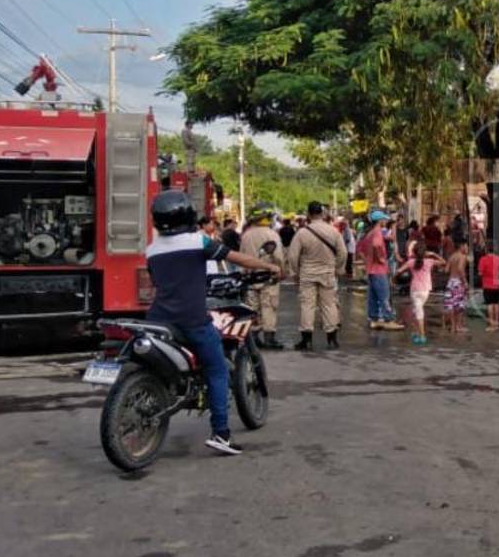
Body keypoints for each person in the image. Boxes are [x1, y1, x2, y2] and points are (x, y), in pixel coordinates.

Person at [146, 190, 280, 456]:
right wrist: (271, 268)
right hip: (192, 320)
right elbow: (234, 258)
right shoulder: (197, 241)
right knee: (217, 369)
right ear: (187, 215)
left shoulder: (151, 250)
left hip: (157, 319)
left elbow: (164, 282)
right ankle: (221, 433)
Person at [286, 201, 348, 350]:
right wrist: (337, 268)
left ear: (308, 214)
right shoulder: (333, 231)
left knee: (307, 305)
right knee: (329, 304)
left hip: (307, 274)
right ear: (322, 213)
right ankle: (332, 339)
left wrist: (295, 272)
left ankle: (306, 340)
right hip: (327, 273)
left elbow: (293, 256)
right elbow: (343, 253)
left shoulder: (302, 233)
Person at [240, 201, 288, 350]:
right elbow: (279, 257)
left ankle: (254, 338)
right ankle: (269, 339)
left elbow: (242, 256)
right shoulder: (271, 234)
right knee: (269, 307)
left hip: (250, 277)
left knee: (253, 308)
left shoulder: (246, 235)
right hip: (269, 277)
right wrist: (282, 270)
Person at [357, 211, 405, 331]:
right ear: (380, 220)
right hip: (379, 269)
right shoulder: (377, 232)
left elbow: (361, 249)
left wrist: (368, 260)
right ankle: (388, 319)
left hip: (371, 269)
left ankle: (374, 319)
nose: (386, 221)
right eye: (384, 219)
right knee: (384, 295)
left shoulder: (370, 233)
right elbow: (377, 245)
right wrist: (382, 258)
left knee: (373, 296)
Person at [398, 243, 444, 345]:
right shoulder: (429, 261)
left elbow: (399, 271)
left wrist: (395, 278)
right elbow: (443, 262)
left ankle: (422, 335)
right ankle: (417, 332)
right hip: (426, 290)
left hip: (415, 289)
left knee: (418, 312)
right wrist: (433, 254)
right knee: (416, 310)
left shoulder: (411, 262)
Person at [444, 238, 470, 333]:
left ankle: (453, 326)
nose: (467, 248)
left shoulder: (452, 256)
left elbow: (446, 270)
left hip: (450, 282)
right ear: (462, 246)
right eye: (466, 246)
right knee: (459, 306)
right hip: (458, 282)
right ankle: (459, 326)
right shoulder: (462, 257)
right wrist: (465, 282)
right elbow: (460, 269)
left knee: (451, 305)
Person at [478, 241, 499, 332]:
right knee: (496, 304)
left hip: (487, 284)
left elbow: (480, 273)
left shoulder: (483, 259)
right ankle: (496, 324)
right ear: (495, 249)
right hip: (496, 284)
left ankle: (491, 325)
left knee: (489, 304)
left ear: (486, 249)